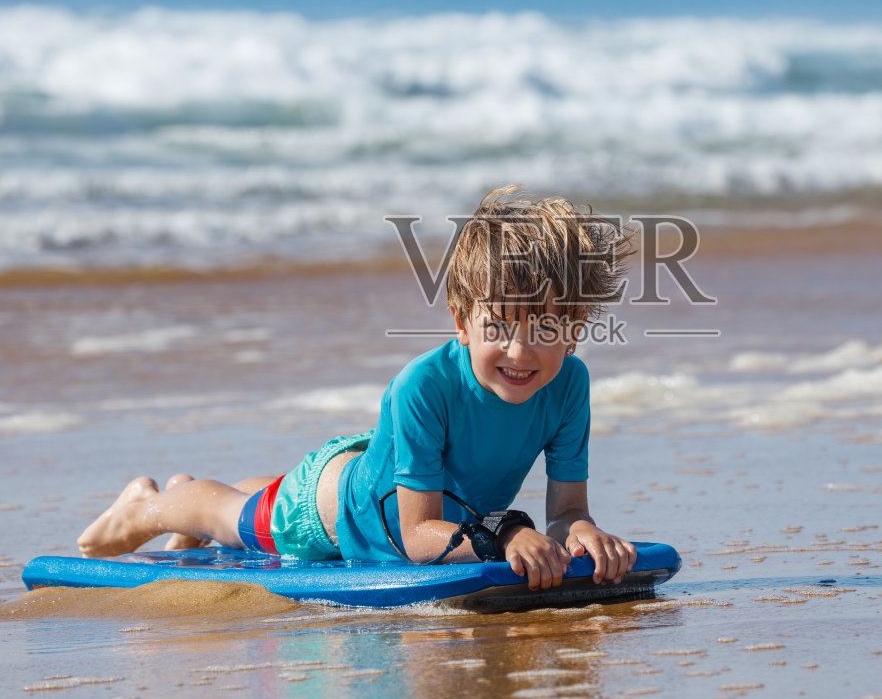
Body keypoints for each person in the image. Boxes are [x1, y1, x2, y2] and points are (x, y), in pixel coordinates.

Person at [77, 185, 638, 590]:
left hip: (392, 474)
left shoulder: (569, 384)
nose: (521, 351)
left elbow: (566, 509)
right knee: (235, 518)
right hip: (334, 511)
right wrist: (508, 532)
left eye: (545, 328)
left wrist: (581, 530)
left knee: (251, 497)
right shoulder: (423, 385)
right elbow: (418, 538)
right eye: (500, 325)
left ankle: (188, 487)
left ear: (575, 329)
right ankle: (147, 506)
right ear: (462, 320)